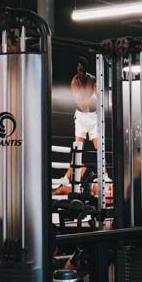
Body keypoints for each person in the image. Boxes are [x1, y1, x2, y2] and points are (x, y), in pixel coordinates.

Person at [54, 58, 100, 196]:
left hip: (93, 117)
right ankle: (66, 180)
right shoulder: (74, 82)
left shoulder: (93, 79)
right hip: (81, 117)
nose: (80, 73)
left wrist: (92, 95)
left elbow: (100, 98)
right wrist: (92, 95)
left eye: (83, 70)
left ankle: (105, 178)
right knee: (77, 151)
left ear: (86, 70)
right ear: (76, 70)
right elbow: (82, 105)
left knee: (100, 148)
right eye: (78, 70)